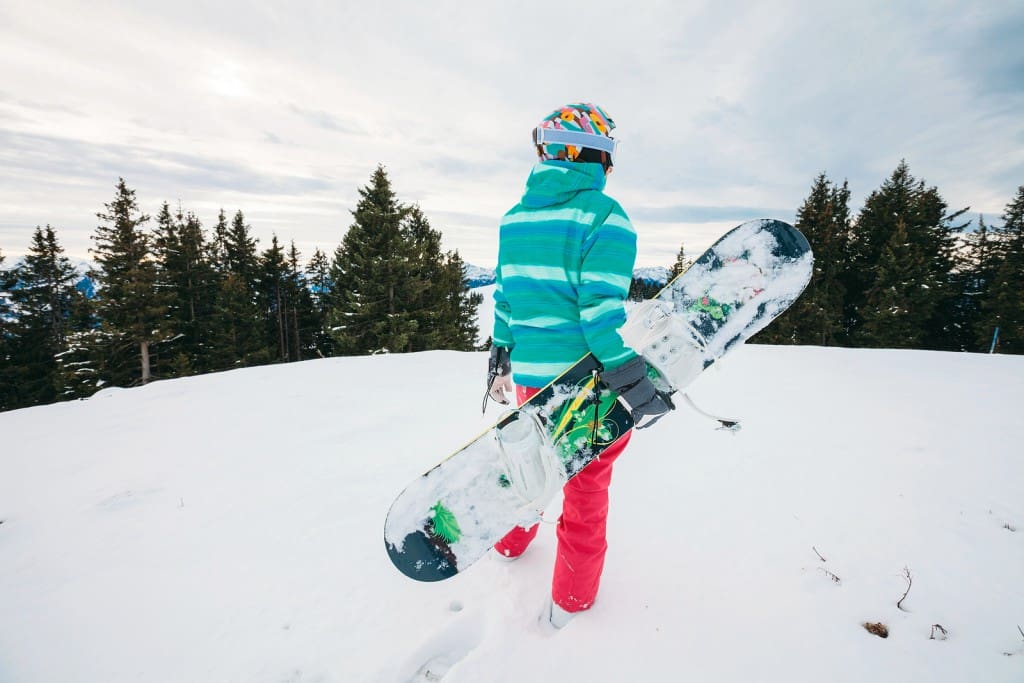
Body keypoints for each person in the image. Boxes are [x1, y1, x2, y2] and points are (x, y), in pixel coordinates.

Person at [484, 102, 672, 629]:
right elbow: (599, 315)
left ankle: (510, 545)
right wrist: (628, 375)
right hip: (587, 388)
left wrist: (501, 353)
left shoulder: (515, 219)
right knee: (585, 489)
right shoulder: (605, 219)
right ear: (594, 156)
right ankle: (571, 600)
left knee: (534, 465)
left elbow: (505, 301)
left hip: (529, 378)